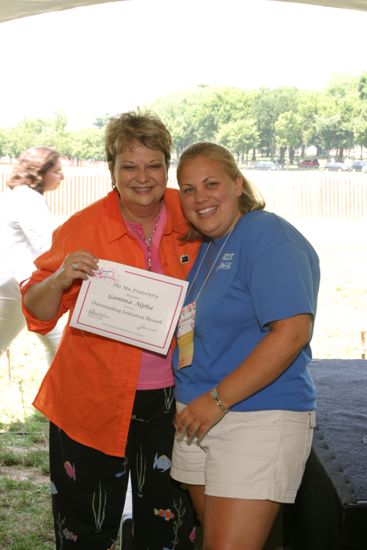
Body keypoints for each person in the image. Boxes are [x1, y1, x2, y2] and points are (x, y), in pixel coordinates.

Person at [21, 111, 199, 550]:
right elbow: (37, 311)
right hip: (90, 402)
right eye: (129, 166)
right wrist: (60, 278)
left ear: (167, 166)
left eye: (153, 164)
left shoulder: (194, 213)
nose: (143, 177)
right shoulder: (83, 227)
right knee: (86, 529)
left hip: (173, 404)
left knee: (169, 531)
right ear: (112, 171)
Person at [171, 142, 320, 550]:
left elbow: (291, 332)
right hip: (201, 420)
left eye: (211, 183)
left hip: (254, 417)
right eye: (187, 189)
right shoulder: (209, 247)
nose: (200, 197)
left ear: (237, 183)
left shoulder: (266, 235)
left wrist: (217, 400)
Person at [0, 146, 64, 367]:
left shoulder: (16, 195)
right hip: (15, 286)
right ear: (40, 171)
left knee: (60, 345)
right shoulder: (29, 200)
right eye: (56, 170)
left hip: (14, 285)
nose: (61, 176)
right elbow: (47, 248)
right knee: (60, 346)